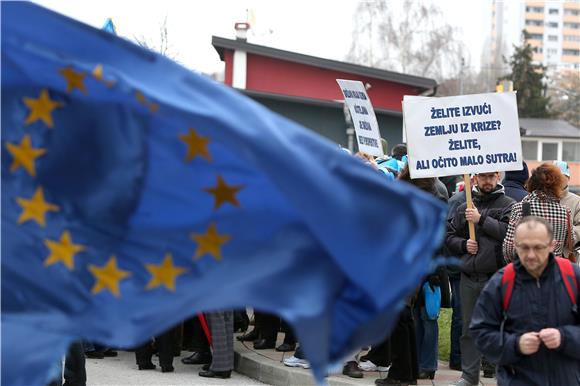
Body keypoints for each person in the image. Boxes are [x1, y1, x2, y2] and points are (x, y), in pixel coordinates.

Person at [470, 216, 580, 385]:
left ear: (552, 245)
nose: (530, 255)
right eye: (524, 247)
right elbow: (480, 333)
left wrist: (564, 337)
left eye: (538, 248)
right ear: (514, 245)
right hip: (517, 379)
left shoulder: (572, 277)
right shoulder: (502, 281)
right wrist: (516, 344)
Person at [446, 171, 515, 386]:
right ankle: (469, 376)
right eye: (483, 177)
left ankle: (498, 372)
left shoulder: (508, 204)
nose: (487, 181)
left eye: (491, 176)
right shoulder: (463, 206)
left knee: (497, 327)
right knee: (468, 329)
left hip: (496, 277)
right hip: (468, 277)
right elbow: (449, 236)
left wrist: (481, 219)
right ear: (475, 178)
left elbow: (509, 233)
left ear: (498, 177)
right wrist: (463, 245)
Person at [503, 163, 576, 262]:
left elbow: (509, 248)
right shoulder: (565, 212)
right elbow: (570, 243)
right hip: (554, 270)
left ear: (531, 182)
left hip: (527, 267)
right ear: (557, 185)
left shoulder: (519, 208)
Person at [554, 161, 580, 261]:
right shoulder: (541, 198)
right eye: (555, 176)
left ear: (568, 178)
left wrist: (566, 233)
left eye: (561, 176)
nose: (558, 179)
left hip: (567, 257)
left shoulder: (577, 201)